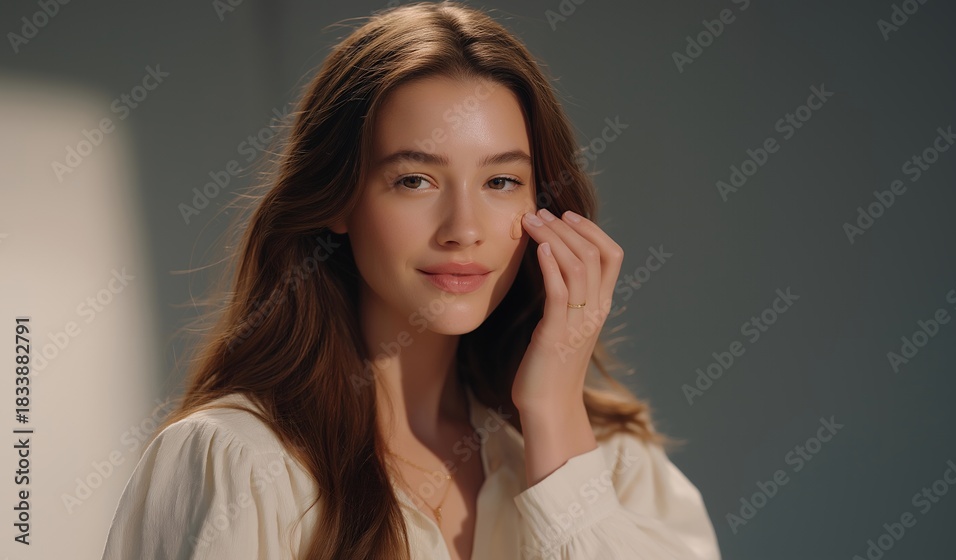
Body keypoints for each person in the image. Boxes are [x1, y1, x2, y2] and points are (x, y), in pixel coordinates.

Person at [101, 2, 721, 559]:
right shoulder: (237, 463)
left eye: (501, 181)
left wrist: (554, 414)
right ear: (339, 199)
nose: (463, 229)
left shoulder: (617, 464)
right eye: (414, 180)